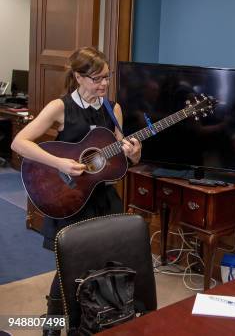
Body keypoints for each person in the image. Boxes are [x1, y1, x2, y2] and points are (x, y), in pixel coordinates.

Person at [11, 47, 141, 335]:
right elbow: (19, 142)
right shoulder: (60, 107)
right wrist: (59, 162)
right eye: (96, 79)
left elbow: (122, 154)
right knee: (70, 264)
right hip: (68, 197)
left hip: (103, 198)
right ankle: (52, 322)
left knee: (107, 259)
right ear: (79, 78)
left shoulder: (112, 108)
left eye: (107, 77)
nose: (104, 84)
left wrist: (134, 153)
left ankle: (96, 317)